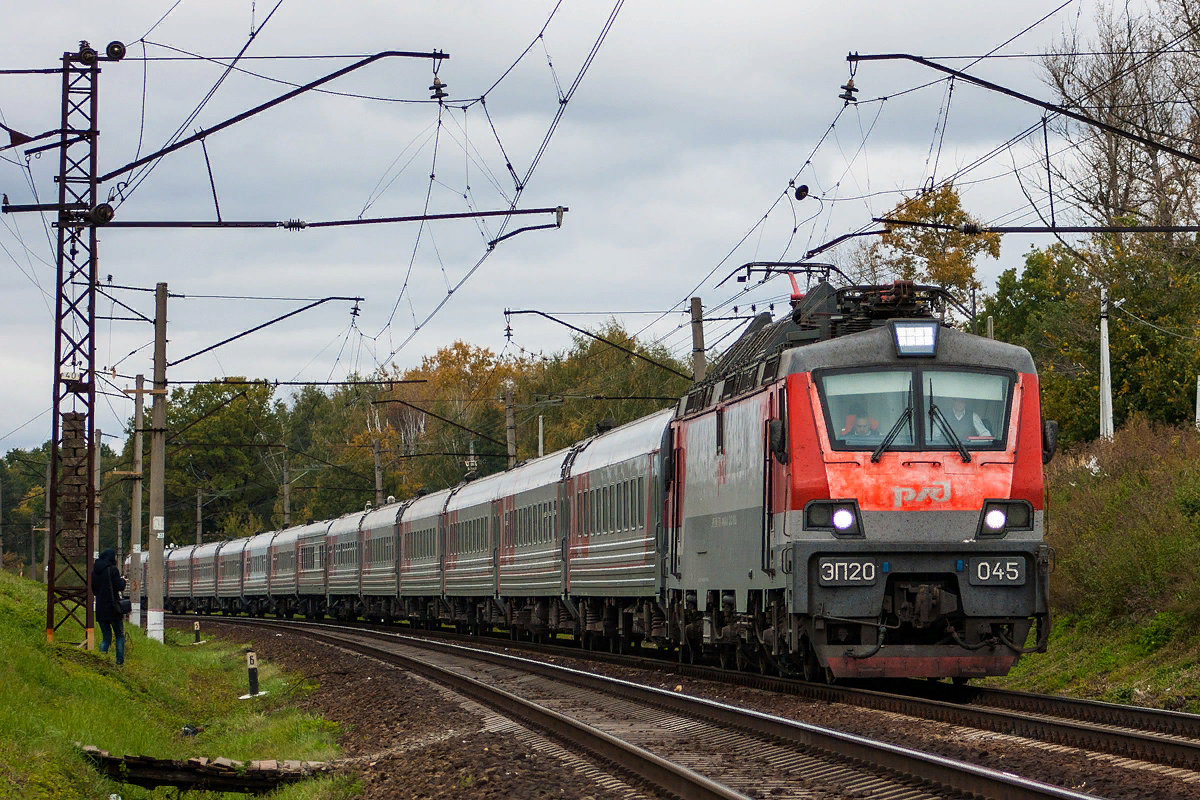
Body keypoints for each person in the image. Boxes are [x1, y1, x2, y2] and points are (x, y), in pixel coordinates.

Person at [92, 547, 127, 666]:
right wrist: (123, 581)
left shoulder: (95, 571)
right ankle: (119, 661)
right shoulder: (113, 570)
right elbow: (120, 586)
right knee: (119, 635)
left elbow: (94, 590)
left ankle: (101, 660)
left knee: (105, 637)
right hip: (113, 609)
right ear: (111, 557)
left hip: (100, 609)